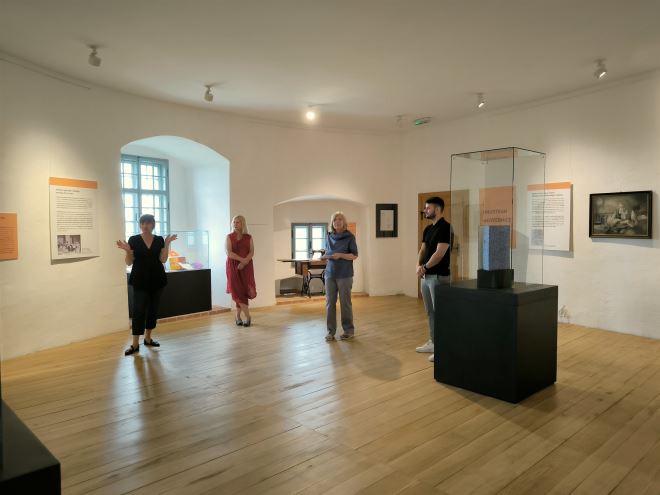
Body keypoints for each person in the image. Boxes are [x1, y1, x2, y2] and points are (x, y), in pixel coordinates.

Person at [116, 214, 177, 356]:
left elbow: (163, 259)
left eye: (148, 223)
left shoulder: (159, 240)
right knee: (138, 311)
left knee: (153, 310)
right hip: (140, 280)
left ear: (153, 225)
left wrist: (167, 244)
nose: (145, 225)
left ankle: (148, 338)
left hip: (157, 279)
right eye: (143, 223)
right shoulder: (134, 240)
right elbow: (129, 262)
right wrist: (127, 251)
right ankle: (135, 344)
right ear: (140, 224)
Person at [416, 197, 451, 363]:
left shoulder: (446, 227)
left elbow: (440, 253)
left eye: (428, 208)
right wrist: (418, 266)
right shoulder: (428, 229)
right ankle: (434, 342)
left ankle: (443, 347)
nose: (425, 211)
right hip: (425, 276)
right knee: (430, 312)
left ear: (437, 209)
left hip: (438, 276)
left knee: (441, 313)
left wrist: (425, 267)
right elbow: (422, 250)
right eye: (425, 208)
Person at [322, 211, 358, 341]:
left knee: (345, 303)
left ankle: (348, 331)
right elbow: (328, 252)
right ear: (332, 223)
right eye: (335, 219)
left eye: (340, 219)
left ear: (344, 222)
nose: (337, 221)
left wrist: (341, 255)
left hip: (345, 274)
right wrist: (325, 256)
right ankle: (330, 332)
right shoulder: (328, 236)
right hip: (330, 274)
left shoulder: (350, 237)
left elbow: (354, 255)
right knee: (330, 303)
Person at [226, 215, 256, 326]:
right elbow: (229, 253)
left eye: (237, 222)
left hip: (246, 267)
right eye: (234, 222)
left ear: (242, 223)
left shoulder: (248, 237)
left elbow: (251, 252)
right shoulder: (229, 237)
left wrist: (244, 262)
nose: (235, 224)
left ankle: (238, 317)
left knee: (242, 291)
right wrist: (241, 260)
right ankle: (248, 317)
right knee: (237, 291)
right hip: (233, 266)